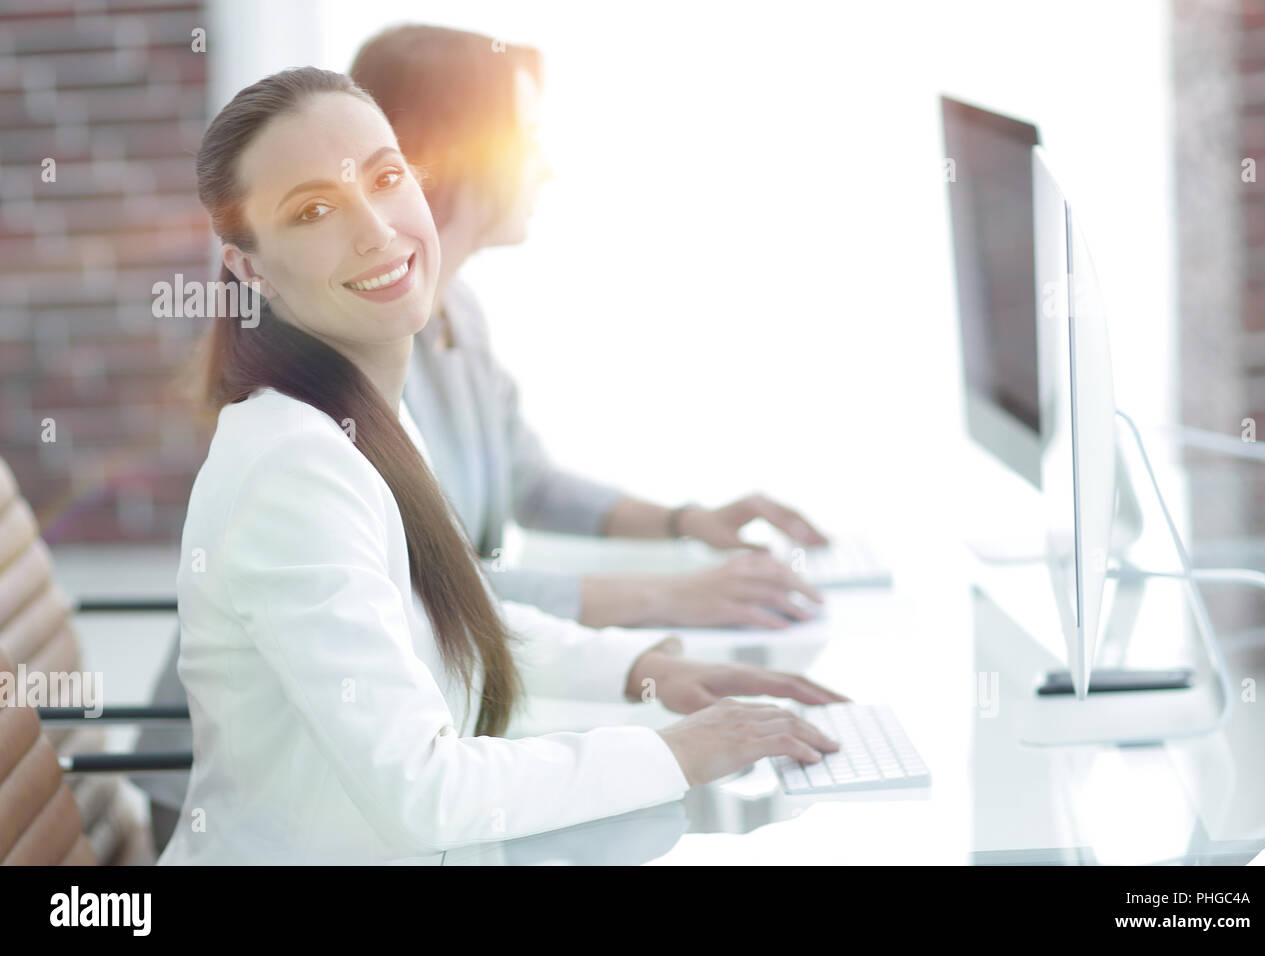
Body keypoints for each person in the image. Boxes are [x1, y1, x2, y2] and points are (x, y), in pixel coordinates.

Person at [155, 67, 844, 863]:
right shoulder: (293, 472)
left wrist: (642, 669)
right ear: (252, 272)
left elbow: (454, 622)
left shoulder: (359, 416)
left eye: (386, 176)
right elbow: (428, 792)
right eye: (314, 211)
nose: (376, 229)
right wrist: (679, 752)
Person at [349, 25, 832, 631]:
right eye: (527, 141)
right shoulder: (366, 357)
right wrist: (671, 597)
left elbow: (532, 485)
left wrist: (683, 522)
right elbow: (438, 598)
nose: (545, 169)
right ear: (459, 150)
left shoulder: (457, 308)